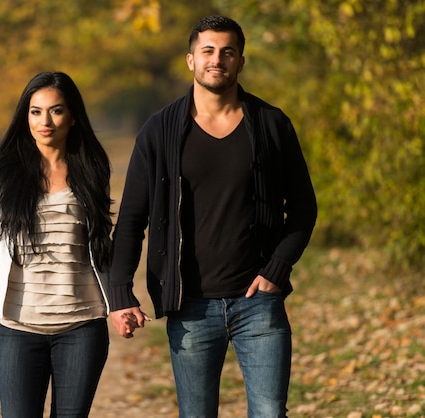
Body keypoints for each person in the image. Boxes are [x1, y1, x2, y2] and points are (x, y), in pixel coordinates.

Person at [109, 15, 317, 417]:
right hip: (190, 308)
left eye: (227, 52)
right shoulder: (158, 132)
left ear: (241, 61)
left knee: (270, 412)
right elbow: (132, 219)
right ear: (191, 60)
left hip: (258, 302)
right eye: (207, 51)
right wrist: (120, 293)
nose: (216, 59)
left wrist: (277, 268)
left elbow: (304, 208)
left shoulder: (272, 125)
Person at [0, 71, 113, 417]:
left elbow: (101, 245)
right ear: (25, 116)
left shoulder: (93, 170)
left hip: (83, 326)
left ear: (73, 117)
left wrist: (120, 301)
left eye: (56, 111)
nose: (45, 121)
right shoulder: (0, 175)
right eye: (35, 111)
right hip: (19, 328)